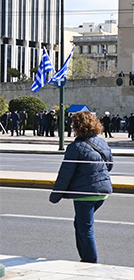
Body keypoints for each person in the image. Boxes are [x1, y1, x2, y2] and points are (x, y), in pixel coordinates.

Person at [49, 111, 113, 263]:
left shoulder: (75, 147)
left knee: (85, 228)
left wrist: (55, 196)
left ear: (76, 127)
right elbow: (109, 166)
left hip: (84, 193)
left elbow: (65, 174)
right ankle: (85, 257)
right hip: (102, 191)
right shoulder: (102, 143)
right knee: (80, 224)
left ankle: (90, 261)